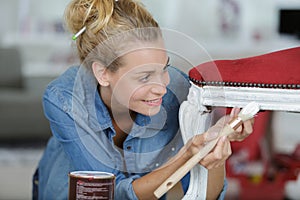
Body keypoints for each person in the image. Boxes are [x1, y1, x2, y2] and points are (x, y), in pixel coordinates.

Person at [32, 0, 254, 199]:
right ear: (103, 74)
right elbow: (109, 192)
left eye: (164, 68)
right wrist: (186, 155)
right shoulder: (64, 99)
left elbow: (204, 195)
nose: (161, 88)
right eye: (145, 76)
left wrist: (214, 148)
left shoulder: (181, 91)